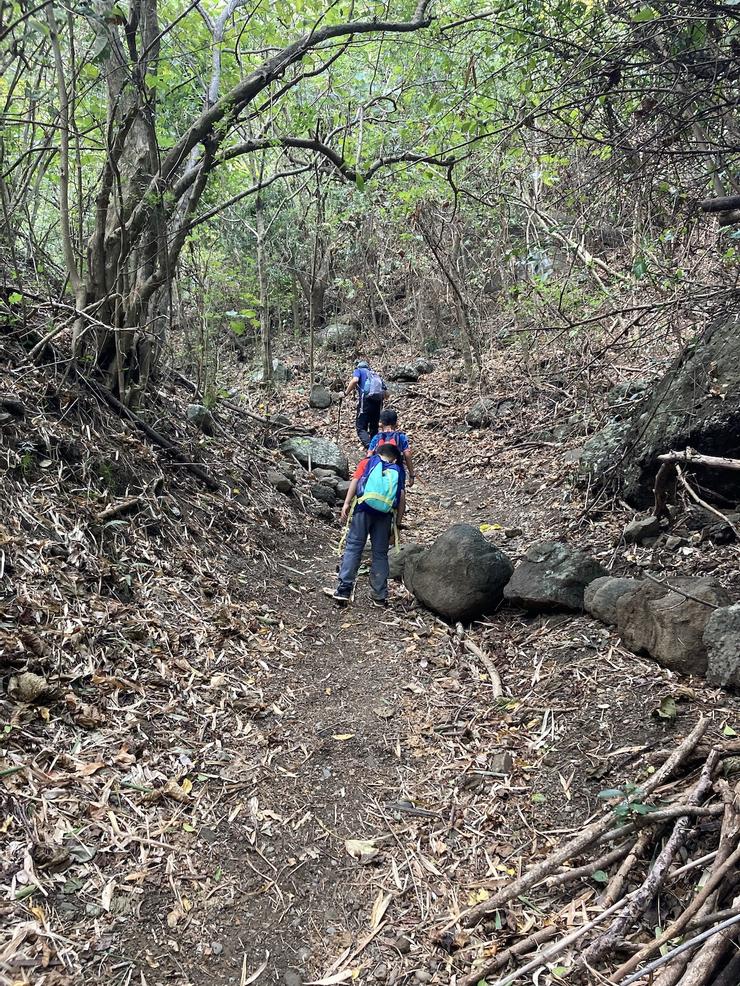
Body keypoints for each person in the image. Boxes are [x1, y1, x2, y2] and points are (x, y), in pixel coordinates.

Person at [327, 442, 406, 607]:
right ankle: (379, 595)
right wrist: (397, 525)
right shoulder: (397, 470)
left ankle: (343, 590)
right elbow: (402, 498)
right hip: (384, 516)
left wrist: (346, 503)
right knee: (380, 554)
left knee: (354, 547)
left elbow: (355, 482)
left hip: (363, 509)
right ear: (394, 459)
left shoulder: (367, 462)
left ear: (378, 453)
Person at [367, 408, 416, 487]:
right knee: (400, 491)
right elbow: (407, 454)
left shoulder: (376, 438)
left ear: (381, 423)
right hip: (397, 470)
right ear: (396, 423)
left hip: (379, 470)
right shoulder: (401, 437)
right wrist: (411, 475)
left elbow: (369, 455)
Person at [345, 359, 386, 448]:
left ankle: (370, 447)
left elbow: (355, 380)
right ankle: (375, 449)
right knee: (374, 428)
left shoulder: (358, 370)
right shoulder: (375, 374)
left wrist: (345, 393)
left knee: (361, 428)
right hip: (377, 402)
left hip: (365, 401)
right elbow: (386, 392)